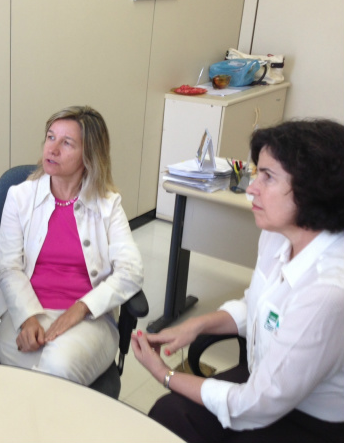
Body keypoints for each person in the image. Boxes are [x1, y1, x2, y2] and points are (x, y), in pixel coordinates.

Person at [131, 119, 344, 442]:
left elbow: (256, 404)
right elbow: (257, 305)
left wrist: (165, 374)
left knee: (176, 412)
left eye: (268, 177)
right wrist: (196, 326)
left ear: (312, 189)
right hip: (265, 379)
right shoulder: (278, 236)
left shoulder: (327, 290)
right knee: (169, 414)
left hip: (307, 417)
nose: (251, 188)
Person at [0, 105, 143, 386]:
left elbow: (131, 271)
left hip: (88, 320)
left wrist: (81, 307)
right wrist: (27, 318)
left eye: (67, 143)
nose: (53, 149)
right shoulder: (19, 196)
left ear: (89, 155)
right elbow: (7, 266)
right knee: (41, 380)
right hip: (25, 313)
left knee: (55, 371)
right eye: (50, 137)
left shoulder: (107, 204)